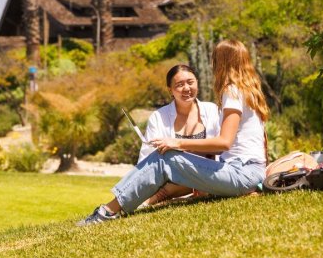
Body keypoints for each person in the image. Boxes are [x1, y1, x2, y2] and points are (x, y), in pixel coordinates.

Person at [78, 39, 268, 226]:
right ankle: (116, 207)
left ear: (222, 62)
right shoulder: (249, 91)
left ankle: (107, 212)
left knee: (164, 159)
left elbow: (224, 143)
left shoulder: (232, 91)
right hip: (249, 173)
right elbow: (261, 139)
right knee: (167, 159)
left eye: (215, 60)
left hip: (243, 173)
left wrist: (177, 143)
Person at [138, 64, 220, 206]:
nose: (187, 88)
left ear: (197, 83)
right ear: (170, 90)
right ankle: (160, 196)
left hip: (209, 175)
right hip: (173, 179)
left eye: (190, 82)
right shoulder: (158, 117)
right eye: (180, 85)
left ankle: (155, 200)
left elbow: (223, 147)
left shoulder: (212, 110)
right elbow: (147, 158)